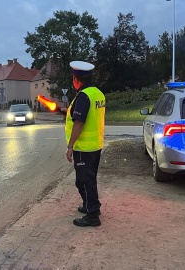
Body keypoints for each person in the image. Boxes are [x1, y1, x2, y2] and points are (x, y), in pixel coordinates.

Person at [64, 60, 106, 227]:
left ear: (76, 79)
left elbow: (79, 122)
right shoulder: (98, 94)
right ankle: (91, 205)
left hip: (84, 147)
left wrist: (70, 146)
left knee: (84, 181)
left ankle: (93, 215)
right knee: (89, 179)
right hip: (96, 145)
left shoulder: (83, 96)